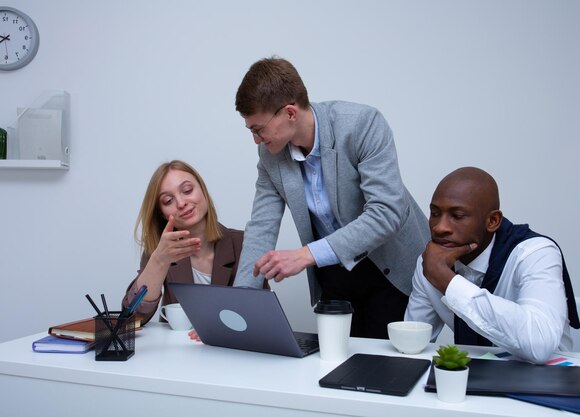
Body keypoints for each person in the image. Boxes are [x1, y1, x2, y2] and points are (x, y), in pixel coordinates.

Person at [233, 56, 430, 339]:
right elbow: (261, 227)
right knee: (335, 368)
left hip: (391, 269)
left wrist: (305, 255)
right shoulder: (269, 155)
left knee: (389, 372)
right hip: (334, 274)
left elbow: (387, 213)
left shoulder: (362, 124)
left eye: (258, 129)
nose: (256, 140)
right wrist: (240, 305)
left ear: (290, 113)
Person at [404, 167, 580, 364]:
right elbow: (413, 341)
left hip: (547, 378)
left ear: (493, 221)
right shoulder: (430, 262)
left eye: (457, 215)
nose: (439, 227)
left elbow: (539, 344)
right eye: (435, 213)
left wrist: (447, 282)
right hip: (471, 380)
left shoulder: (535, 253)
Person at [122, 160, 262, 330]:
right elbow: (133, 318)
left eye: (187, 190)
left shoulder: (245, 243)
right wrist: (159, 261)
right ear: (162, 214)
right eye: (168, 201)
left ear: (203, 190)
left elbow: (261, 314)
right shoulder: (160, 251)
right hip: (180, 353)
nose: (181, 203)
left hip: (233, 351)